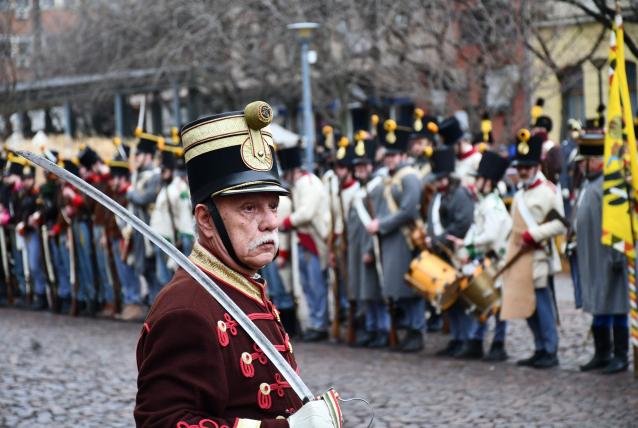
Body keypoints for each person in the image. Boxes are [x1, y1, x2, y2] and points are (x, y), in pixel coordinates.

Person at [135, 101, 342, 428]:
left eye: (272, 206)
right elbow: (165, 422)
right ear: (205, 220)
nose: (271, 222)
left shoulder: (241, 282)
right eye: (249, 208)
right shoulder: (186, 311)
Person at [500, 132, 566, 369]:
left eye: (528, 167)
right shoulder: (519, 194)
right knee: (526, 306)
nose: (523, 171)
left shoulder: (549, 191)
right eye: (520, 167)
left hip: (539, 257)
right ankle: (539, 347)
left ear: (537, 166)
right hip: (519, 258)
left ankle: (550, 349)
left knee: (542, 306)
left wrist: (534, 235)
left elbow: (560, 224)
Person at [367, 119, 425, 352]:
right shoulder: (389, 177)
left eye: (393, 156)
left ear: (402, 155)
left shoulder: (409, 176)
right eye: (387, 156)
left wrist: (381, 224)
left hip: (405, 238)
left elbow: (408, 211)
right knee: (400, 288)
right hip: (392, 239)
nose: (389, 159)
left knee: (412, 286)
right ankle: (408, 330)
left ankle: (416, 331)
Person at [574, 129, 629, 374]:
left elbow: (619, 223)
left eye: (583, 162)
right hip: (591, 256)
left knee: (615, 305)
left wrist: (618, 256)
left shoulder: (610, 185)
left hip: (609, 258)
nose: (580, 167)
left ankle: (620, 355)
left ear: (594, 161)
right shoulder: (589, 185)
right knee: (599, 305)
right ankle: (602, 352)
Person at [454, 151, 511, 360]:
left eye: (478, 178)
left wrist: (467, 244)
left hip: (497, 259)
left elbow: (490, 235)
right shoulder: (484, 202)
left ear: (487, 182)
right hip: (485, 258)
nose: (475, 182)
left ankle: (498, 343)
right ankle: (476, 340)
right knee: (482, 300)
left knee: (497, 303)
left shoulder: (493, 205)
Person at [277, 144, 331, 342]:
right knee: (308, 285)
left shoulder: (308, 183)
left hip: (314, 239)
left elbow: (306, 213)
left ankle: (320, 324)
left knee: (316, 284)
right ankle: (315, 322)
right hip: (303, 239)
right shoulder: (300, 185)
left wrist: (287, 221)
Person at [426, 146, 475, 357]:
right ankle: (456, 338)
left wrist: (437, 239)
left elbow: (462, 223)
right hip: (441, 253)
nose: (436, 183)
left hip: (455, 252)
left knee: (462, 299)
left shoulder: (460, 194)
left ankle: (466, 338)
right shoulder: (439, 195)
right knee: (449, 299)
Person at [347, 133, 389, 347]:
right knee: (365, 292)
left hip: (370, 248)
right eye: (358, 167)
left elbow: (376, 221)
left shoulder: (378, 188)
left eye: (364, 166)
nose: (361, 170)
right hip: (356, 249)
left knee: (375, 292)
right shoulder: (358, 190)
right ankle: (371, 327)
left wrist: (370, 251)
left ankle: (383, 329)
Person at [124, 137, 161, 318]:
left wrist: (131, 193)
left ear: (147, 156)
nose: (136, 158)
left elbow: (144, 198)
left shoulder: (155, 175)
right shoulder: (137, 176)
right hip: (138, 231)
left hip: (151, 230)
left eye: (138, 155)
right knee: (143, 268)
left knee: (153, 269)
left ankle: (157, 305)